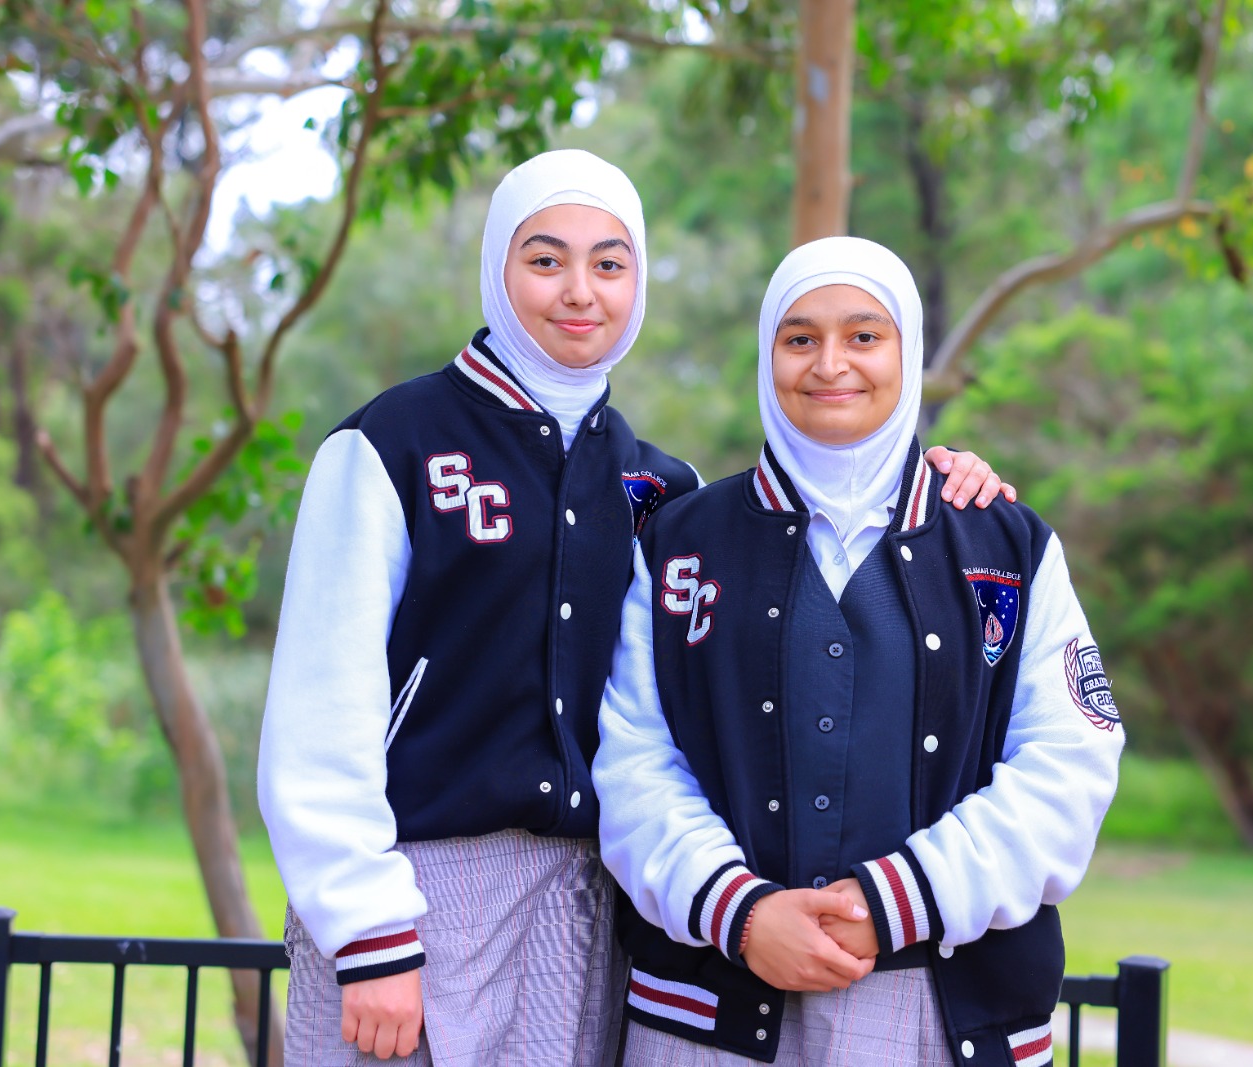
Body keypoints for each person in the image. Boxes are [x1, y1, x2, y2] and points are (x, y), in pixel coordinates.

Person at [257, 154, 1012, 1067]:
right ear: (497, 266)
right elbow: (319, 707)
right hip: (409, 887)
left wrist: (936, 474)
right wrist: (366, 929)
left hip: (584, 900)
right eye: (546, 259)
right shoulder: (391, 445)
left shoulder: (662, 488)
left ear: (638, 281)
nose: (580, 291)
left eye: (610, 263)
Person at [593, 236, 1125, 1066]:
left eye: (865, 336)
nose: (830, 363)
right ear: (767, 353)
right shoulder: (679, 541)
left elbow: (1070, 763)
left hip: (937, 1014)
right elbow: (633, 760)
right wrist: (740, 911)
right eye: (800, 337)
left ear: (907, 352)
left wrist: (898, 899)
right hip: (709, 1012)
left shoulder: (1006, 543)